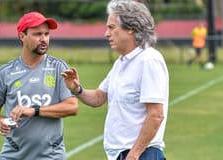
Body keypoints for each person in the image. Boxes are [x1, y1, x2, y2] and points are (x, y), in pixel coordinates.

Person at [61, 0, 169, 160]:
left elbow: (156, 115)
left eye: (111, 27)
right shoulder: (121, 62)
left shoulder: (149, 60)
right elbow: (98, 97)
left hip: (142, 154)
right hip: (123, 154)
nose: (106, 33)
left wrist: (133, 155)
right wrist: (77, 89)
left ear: (131, 28)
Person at [0, 11, 78, 160]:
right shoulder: (5, 73)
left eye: (47, 34)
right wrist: (0, 121)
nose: (44, 39)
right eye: (37, 34)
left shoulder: (58, 68)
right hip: (13, 155)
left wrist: (33, 110)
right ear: (22, 36)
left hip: (52, 156)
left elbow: (72, 107)